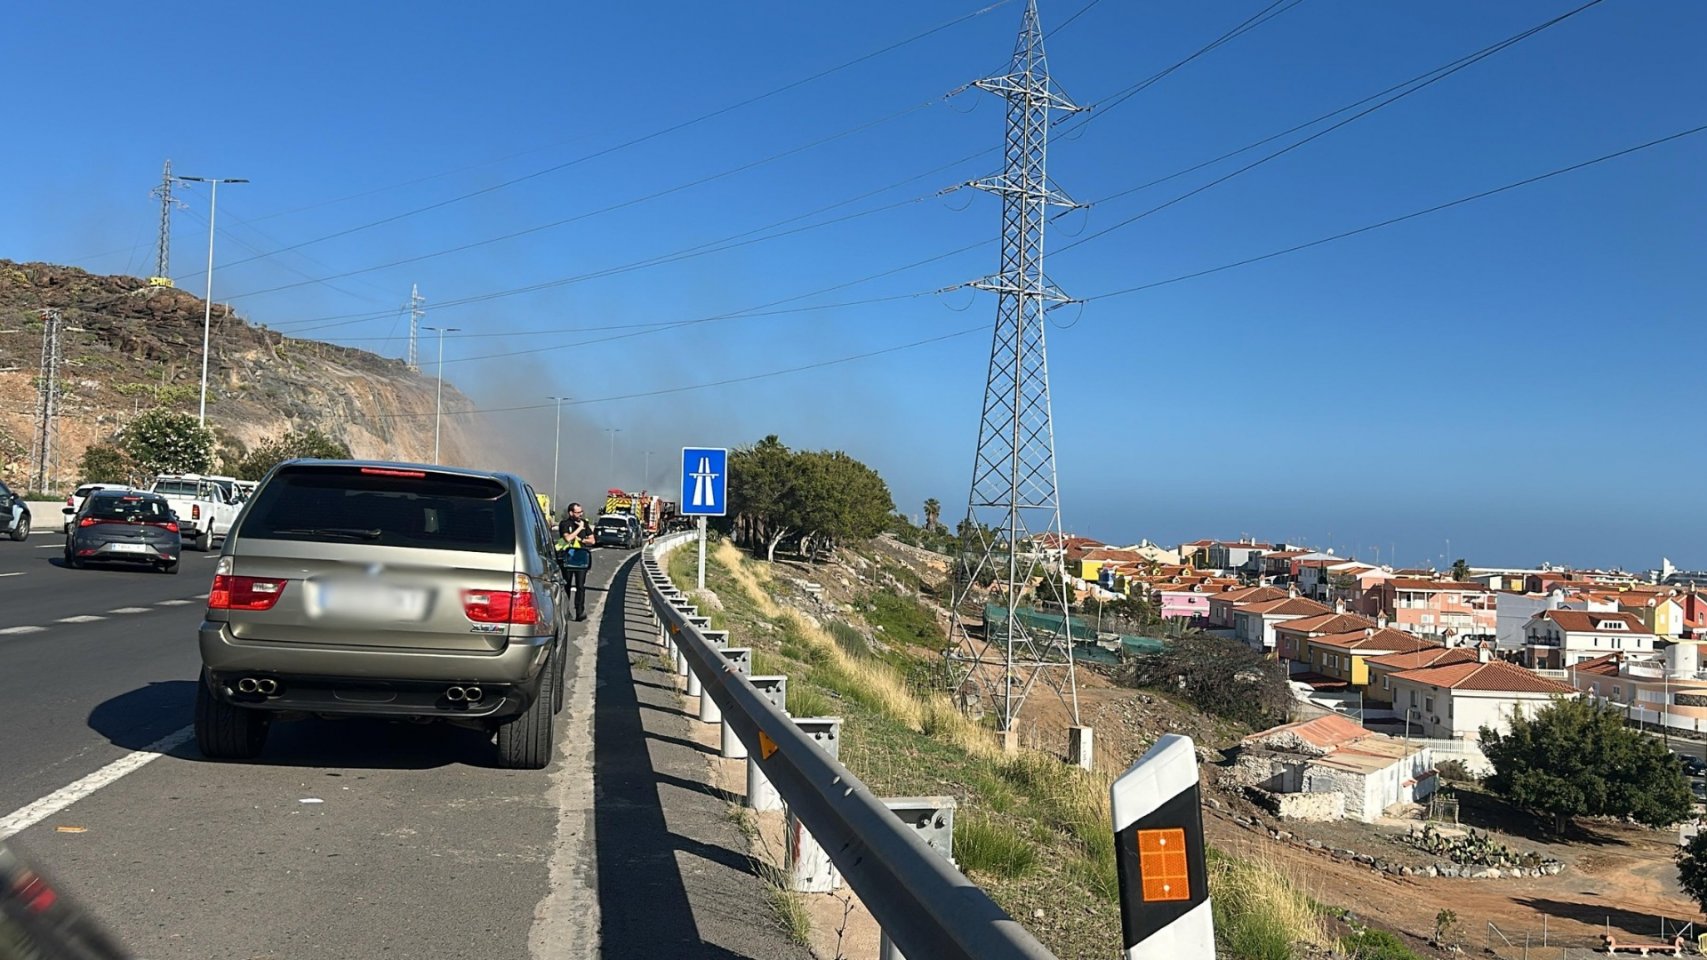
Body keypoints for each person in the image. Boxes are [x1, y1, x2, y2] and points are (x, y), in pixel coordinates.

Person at [555, 502, 595, 621]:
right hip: (568, 558)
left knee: (580, 586)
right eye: (577, 512)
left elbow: (592, 540)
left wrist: (582, 539)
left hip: (581, 559)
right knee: (566, 585)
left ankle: (580, 611)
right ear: (571, 513)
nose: (580, 514)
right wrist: (579, 529)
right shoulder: (564, 524)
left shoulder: (584, 523)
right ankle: (565, 611)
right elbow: (567, 538)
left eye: (581, 512)